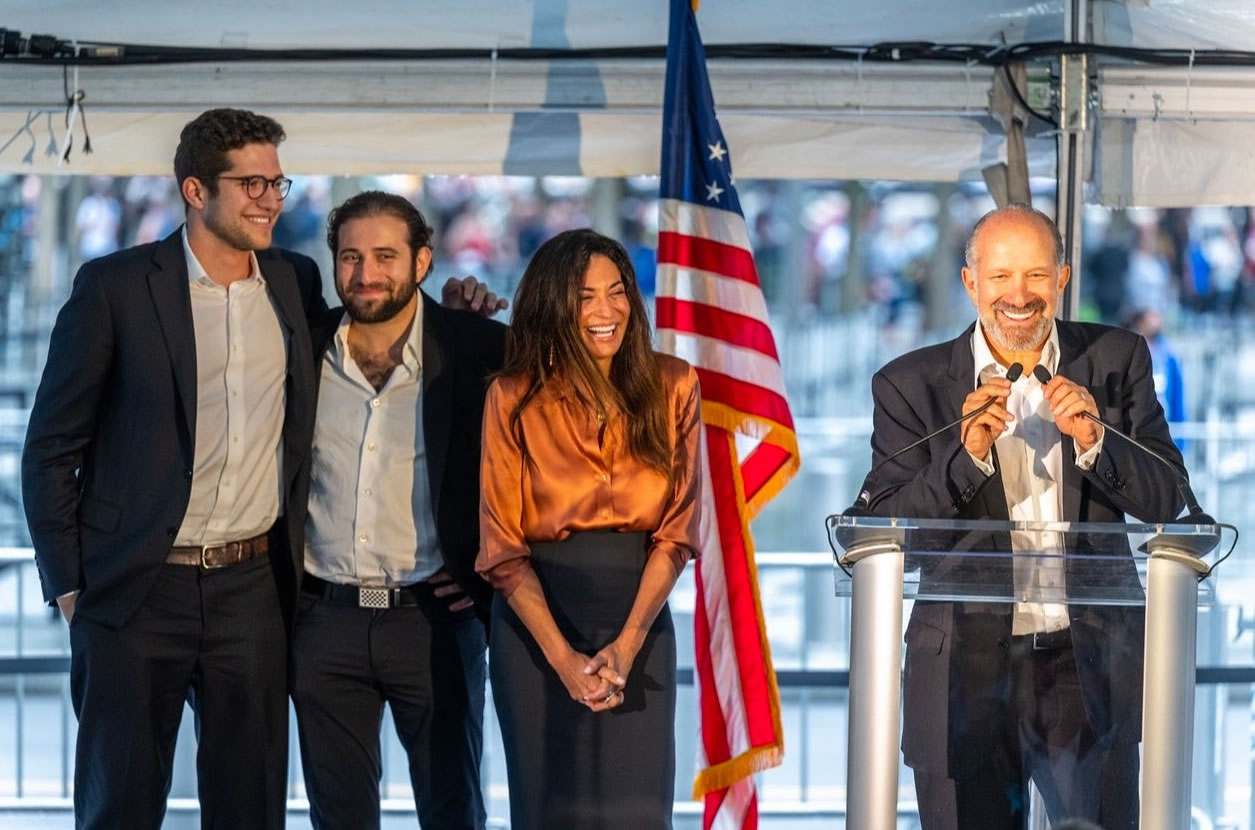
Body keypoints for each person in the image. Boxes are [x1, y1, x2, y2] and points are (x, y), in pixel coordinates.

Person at [22, 108, 326, 829]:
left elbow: (361, 341)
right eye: (251, 184)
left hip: (253, 589)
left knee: (250, 808)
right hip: (133, 591)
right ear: (196, 190)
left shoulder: (294, 281)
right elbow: (51, 448)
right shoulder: (116, 287)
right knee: (119, 807)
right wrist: (72, 590)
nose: (270, 200)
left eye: (277, 183)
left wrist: (459, 313)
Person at [856, 204, 1188, 830]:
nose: (1018, 295)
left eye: (1036, 275)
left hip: (1088, 668)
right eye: (1001, 276)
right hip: (962, 673)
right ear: (970, 282)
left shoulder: (1117, 359)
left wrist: (1097, 442)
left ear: (1061, 278)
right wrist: (966, 460)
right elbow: (890, 534)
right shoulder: (909, 384)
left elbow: (1168, 496)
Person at [289, 190, 507, 829]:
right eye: (351, 257)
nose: (367, 273)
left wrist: (483, 570)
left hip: (434, 621)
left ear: (422, 262)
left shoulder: (478, 348)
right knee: (339, 819)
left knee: (453, 812)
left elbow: (535, 465)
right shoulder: (300, 347)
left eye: (386, 256)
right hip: (323, 622)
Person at [477, 228, 702, 830]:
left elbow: (678, 534)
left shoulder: (676, 385)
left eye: (617, 291)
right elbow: (501, 551)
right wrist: (563, 660)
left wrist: (626, 646)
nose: (607, 311)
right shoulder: (511, 397)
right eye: (585, 297)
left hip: (640, 625)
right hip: (536, 632)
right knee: (547, 813)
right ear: (554, 305)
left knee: (641, 816)